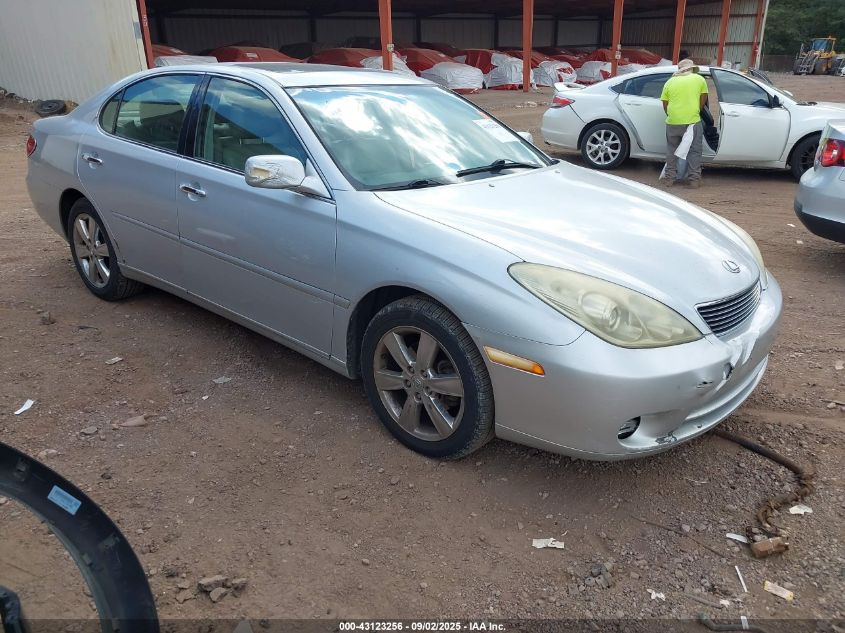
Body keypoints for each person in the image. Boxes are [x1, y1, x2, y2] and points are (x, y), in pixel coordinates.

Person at [659, 58, 709, 188]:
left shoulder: (670, 82)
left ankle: (669, 179)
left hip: (673, 121)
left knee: (672, 150)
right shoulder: (699, 79)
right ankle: (694, 180)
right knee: (694, 151)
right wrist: (695, 111)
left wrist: (673, 115)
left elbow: (665, 104)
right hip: (692, 121)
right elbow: (703, 100)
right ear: (691, 68)